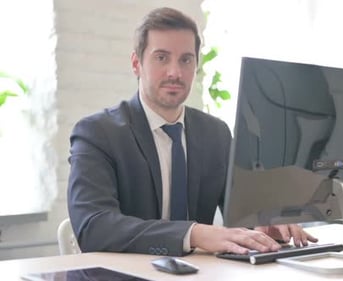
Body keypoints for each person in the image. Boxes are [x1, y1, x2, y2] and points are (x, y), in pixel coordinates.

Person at [67, 7, 317, 257]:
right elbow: (93, 227)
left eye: (186, 59)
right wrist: (194, 234)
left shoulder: (215, 133)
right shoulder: (98, 133)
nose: (175, 72)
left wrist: (263, 222)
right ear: (136, 63)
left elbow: (240, 211)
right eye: (161, 58)